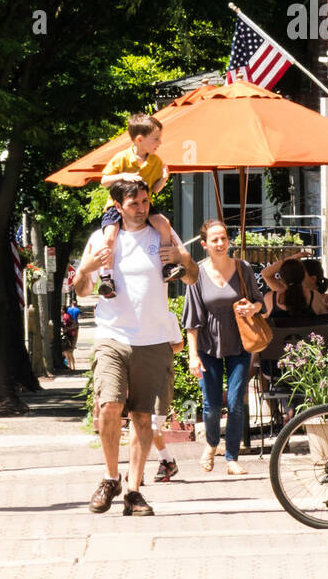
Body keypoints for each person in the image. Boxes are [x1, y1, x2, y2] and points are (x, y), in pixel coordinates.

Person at [76, 179, 197, 515]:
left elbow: (190, 277)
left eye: (145, 201)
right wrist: (85, 269)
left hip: (153, 340)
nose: (142, 208)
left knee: (144, 417)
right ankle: (110, 477)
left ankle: (133, 490)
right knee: (110, 406)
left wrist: (183, 257)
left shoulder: (162, 234)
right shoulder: (102, 239)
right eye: (134, 204)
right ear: (118, 206)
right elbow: (82, 289)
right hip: (112, 336)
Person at [182, 218, 265, 476]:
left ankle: (231, 459)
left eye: (224, 239)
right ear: (204, 244)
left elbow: (260, 302)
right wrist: (193, 355)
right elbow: (192, 320)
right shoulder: (196, 274)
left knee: (236, 400)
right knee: (212, 404)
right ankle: (211, 444)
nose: (220, 243)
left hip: (240, 344)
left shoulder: (243, 268)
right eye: (214, 240)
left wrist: (252, 308)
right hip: (208, 347)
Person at [97, 113, 174, 297]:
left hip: (145, 206)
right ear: (140, 139)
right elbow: (104, 180)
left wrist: (164, 178)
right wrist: (123, 175)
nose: (160, 143)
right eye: (156, 139)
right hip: (118, 206)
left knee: (164, 225)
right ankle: (107, 277)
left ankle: (168, 266)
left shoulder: (155, 161)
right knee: (109, 237)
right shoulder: (122, 158)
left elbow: (154, 190)